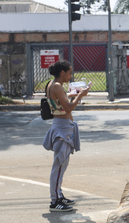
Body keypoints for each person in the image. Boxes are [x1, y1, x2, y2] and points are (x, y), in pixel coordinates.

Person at [42, 60, 88, 212]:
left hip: (61, 126)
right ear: (62, 73)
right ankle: (55, 201)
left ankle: (59, 195)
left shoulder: (52, 84)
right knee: (59, 166)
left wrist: (71, 95)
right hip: (62, 129)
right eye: (69, 72)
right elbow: (68, 107)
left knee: (62, 164)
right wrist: (80, 96)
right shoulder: (56, 86)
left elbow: (59, 102)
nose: (71, 75)